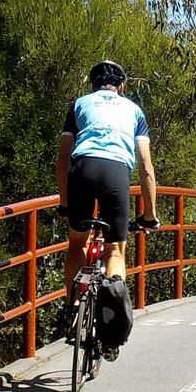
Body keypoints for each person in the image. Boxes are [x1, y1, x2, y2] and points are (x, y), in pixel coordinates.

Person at [56, 60, 159, 359]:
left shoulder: (79, 105)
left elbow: (63, 159)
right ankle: (111, 332)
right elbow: (146, 167)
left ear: (93, 85)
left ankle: (72, 311)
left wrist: (65, 203)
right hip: (116, 174)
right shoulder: (134, 110)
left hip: (82, 169)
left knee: (77, 242)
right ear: (121, 87)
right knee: (115, 251)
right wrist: (149, 215)